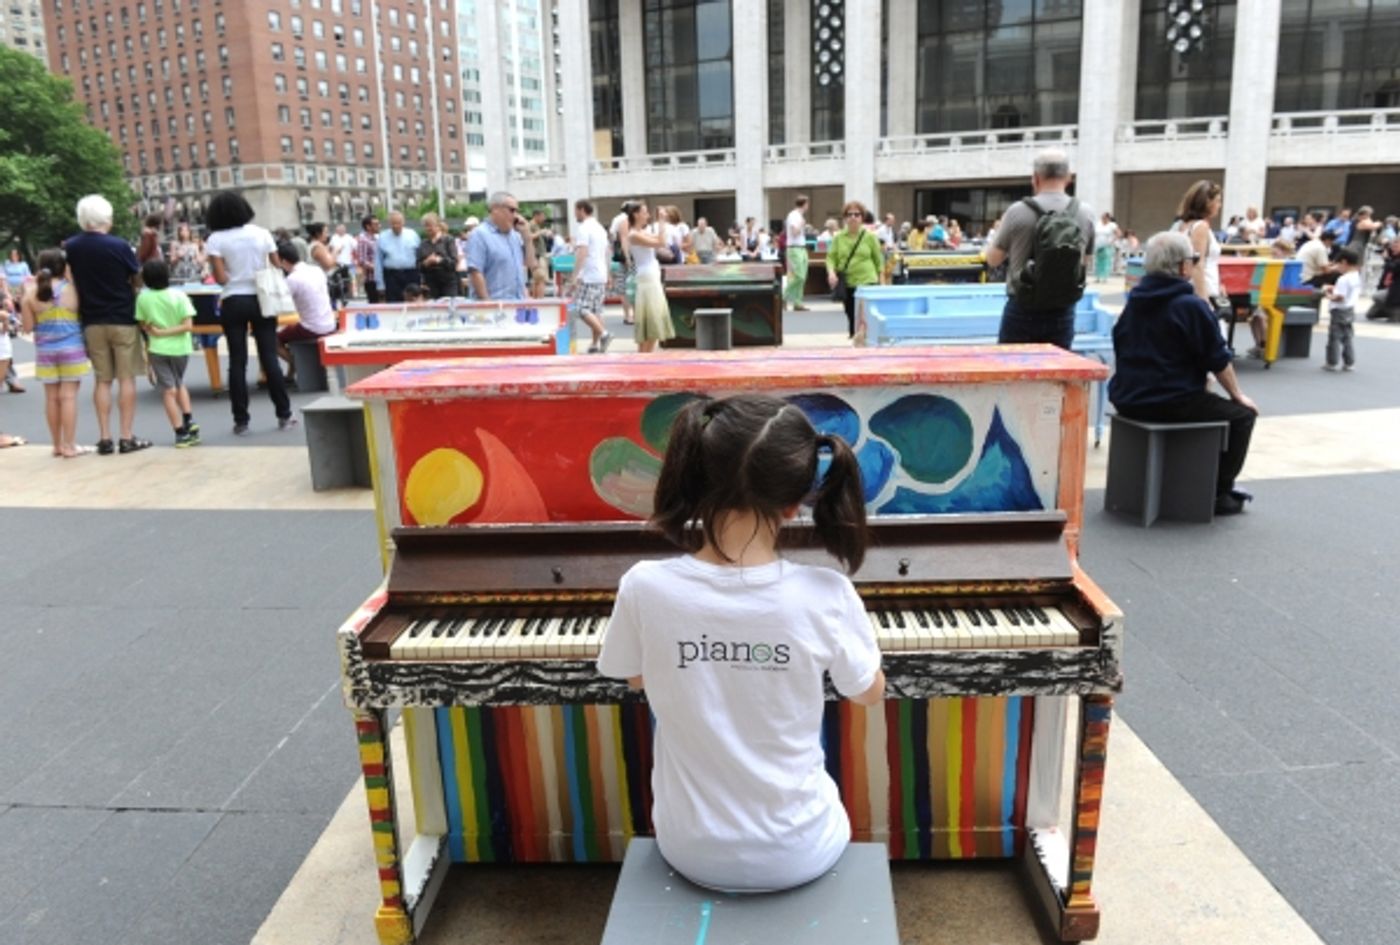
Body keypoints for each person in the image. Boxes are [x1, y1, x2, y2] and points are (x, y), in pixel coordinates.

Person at [596, 393, 882, 893]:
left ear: (698, 480)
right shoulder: (826, 595)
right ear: (795, 503)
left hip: (689, 850)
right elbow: (868, 691)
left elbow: (637, 676)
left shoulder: (644, 585)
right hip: (802, 848)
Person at [1109, 232, 1259, 516]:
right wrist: (1237, 395)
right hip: (1170, 400)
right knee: (1242, 417)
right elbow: (1218, 357)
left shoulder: (1134, 303)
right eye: (1192, 260)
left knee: (1203, 401)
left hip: (1127, 397)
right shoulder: (1190, 306)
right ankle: (1218, 492)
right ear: (1182, 267)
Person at [64, 194, 151, 454]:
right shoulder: (119, 246)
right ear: (107, 218)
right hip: (122, 317)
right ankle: (126, 437)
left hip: (91, 319)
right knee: (126, 378)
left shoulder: (72, 247)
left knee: (102, 379)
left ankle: (104, 437)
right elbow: (137, 278)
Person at [203, 190, 295, 435]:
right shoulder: (262, 234)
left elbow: (221, 278)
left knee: (237, 361)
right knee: (268, 356)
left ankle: (241, 420)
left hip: (233, 300)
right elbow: (277, 265)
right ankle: (284, 415)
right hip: (261, 299)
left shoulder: (215, 239)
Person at [985, 149, 1095, 350]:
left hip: (1021, 307)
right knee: (1056, 377)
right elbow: (1086, 261)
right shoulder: (1085, 213)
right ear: (1068, 178)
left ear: (1035, 179)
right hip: (1062, 310)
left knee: (1012, 372)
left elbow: (993, 260)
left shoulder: (1017, 211)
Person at [20, 248, 91, 457]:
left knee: (51, 398)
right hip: (72, 348)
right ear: (63, 266)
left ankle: (57, 445)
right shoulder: (73, 289)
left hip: (45, 351)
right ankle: (70, 445)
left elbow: (27, 327)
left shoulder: (31, 294)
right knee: (68, 397)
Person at [134, 259, 200, 448]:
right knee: (179, 382)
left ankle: (180, 432)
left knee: (168, 390)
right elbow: (188, 325)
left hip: (157, 348)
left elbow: (142, 324)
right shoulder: (179, 296)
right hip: (181, 349)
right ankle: (189, 419)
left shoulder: (143, 298)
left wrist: (159, 333)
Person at [271, 241, 338, 385]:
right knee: (290, 330)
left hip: (311, 327)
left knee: (272, 340)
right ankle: (291, 373)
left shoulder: (292, 279)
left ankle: (295, 363)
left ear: (283, 261)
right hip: (330, 323)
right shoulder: (316, 270)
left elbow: (279, 305)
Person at [826, 200, 884, 339]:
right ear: (845, 218)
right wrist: (831, 272)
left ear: (862, 218)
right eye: (849, 214)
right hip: (848, 282)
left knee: (866, 314)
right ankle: (854, 338)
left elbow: (878, 261)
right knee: (851, 313)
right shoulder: (838, 237)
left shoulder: (870, 237)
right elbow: (831, 258)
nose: (853, 217)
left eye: (856, 214)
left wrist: (882, 283)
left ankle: (867, 338)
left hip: (867, 281)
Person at [622, 201, 675, 353]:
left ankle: (643, 357)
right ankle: (645, 357)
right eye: (645, 212)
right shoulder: (634, 234)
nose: (648, 216)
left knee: (649, 325)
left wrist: (661, 223)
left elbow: (660, 240)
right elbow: (661, 242)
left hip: (649, 277)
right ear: (636, 214)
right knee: (652, 323)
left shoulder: (639, 232)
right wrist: (662, 221)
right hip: (648, 279)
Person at [466, 192, 534, 303]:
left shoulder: (515, 236)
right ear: (495, 209)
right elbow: (475, 272)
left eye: (517, 211)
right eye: (512, 210)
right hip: (495, 306)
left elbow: (531, 265)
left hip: (517, 304)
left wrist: (527, 237)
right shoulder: (480, 235)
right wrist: (487, 304)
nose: (516, 216)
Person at [567, 199, 613, 354]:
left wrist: (574, 276)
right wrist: (608, 273)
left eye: (575, 211)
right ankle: (595, 343)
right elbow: (607, 253)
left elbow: (582, 253)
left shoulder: (584, 228)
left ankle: (604, 334)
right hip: (600, 274)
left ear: (581, 210)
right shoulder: (600, 228)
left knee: (581, 308)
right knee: (596, 310)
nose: (575, 215)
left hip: (589, 274)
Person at [1172, 180, 1223, 305]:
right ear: (1207, 203)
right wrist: (1204, 301)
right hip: (1203, 291)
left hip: (1186, 289)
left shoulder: (1181, 226)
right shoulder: (1201, 227)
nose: (1219, 205)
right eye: (1217, 201)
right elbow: (1197, 265)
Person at [1322, 248, 1361, 373]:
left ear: (1344, 262)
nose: (1337, 267)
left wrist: (1327, 295)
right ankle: (1349, 362)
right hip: (1349, 309)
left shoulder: (1343, 279)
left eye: (1338, 264)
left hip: (1339, 310)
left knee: (1334, 337)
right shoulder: (1356, 276)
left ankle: (1332, 362)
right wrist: (1333, 288)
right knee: (1347, 337)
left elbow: (1340, 297)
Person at [375, 211, 422, 302]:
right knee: (393, 304)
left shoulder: (412, 235)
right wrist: (380, 284)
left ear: (403, 222)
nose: (396, 226)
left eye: (398, 223)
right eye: (393, 223)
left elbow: (419, 256)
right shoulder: (383, 237)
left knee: (413, 302)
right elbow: (378, 262)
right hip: (392, 276)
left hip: (411, 274)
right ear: (389, 223)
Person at [415, 212, 459, 299]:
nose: (428, 228)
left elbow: (454, 262)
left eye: (430, 225)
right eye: (426, 226)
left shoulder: (448, 240)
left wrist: (440, 260)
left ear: (438, 226)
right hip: (431, 284)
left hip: (448, 282)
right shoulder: (423, 244)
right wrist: (426, 263)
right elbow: (418, 266)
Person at [609, 203, 637, 326]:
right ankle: (634, 315)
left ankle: (627, 315)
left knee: (623, 287)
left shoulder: (617, 219)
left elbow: (612, 235)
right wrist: (627, 257)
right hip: (631, 256)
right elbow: (624, 239)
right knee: (633, 286)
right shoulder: (627, 221)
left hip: (621, 257)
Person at [304, 222, 345, 307]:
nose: (327, 235)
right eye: (325, 232)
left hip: (316, 281)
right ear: (318, 234)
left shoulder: (314, 245)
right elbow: (328, 265)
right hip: (319, 282)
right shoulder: (317, 247)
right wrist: (335, 252)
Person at [784, 196, 811, 312]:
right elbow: (794, 232)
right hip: (794, 248)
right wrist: (802, 224)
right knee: (799, 275)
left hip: (801, 247)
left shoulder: (799, 216)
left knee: (802, 277)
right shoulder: (794, 215)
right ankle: (783, 296)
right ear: (805, 204)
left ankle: (797, 302)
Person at [354, 215, 382, 303]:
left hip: (380, 278)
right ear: (368, 226)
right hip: (371, 280)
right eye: (376, 224)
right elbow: (362, 261)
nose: (379, 226)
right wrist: (377, 268)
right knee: (375, 305)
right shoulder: (363, 240)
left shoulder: (377, 238)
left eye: (378, 223)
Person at [528, 209, 552, 298]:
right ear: (536, 216)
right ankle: (540, 300)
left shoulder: (537, 226)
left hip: (539, 254)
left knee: (537, 280)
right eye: (542, 216)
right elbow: (529, 237)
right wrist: (540, 232)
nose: (544, 218)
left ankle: (536, 300)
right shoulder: (530, 225)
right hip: (537, 255)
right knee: (541, 278)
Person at [330, 223, 357, 297]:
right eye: (339, 229)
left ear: (345, 230)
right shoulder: (334, 237)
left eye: (343, 229)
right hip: (337, 263)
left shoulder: (349, 237)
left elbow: (356, 247)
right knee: (338, 279)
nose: (341, 230)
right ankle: (340, 294)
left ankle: (351, 293)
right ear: (337, 230)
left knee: (350, 278)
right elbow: (331, 248)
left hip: (348, 262)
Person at [1093, 213, 1119, 283]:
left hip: (1107, 245)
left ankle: (1105, 277)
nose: (1104, 219)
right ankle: (1098, 277)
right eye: (1103, 217)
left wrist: (1112, 241)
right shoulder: (1098, 224)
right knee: (1098, 261)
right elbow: (1095, 233)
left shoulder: (1112, 225)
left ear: (1108, 218)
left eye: (1105, 218)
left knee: (1106, 261)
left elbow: (1119, 233)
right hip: (1098, 244)